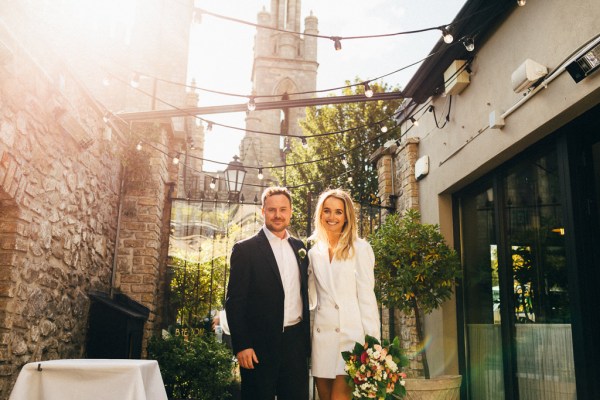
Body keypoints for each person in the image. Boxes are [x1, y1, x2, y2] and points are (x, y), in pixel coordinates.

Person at [225, 186, 310, 400]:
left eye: (283, 209)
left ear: (291, 211)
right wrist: (242, 345)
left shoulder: (301, 248)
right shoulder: (245, 250)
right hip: (258, 346)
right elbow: (235, 302)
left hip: (295, 344)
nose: (278, 215)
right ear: (263, 211)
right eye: (272, 210)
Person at [307, 189, 381, 400]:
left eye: (338, 212)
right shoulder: (313, 253)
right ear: (320, 214)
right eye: (327, 211)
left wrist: (373, 343)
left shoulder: (360, 248)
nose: (332, 217)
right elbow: (312, 299)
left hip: (350, 339)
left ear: (347, 215)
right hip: (322, 340)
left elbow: (367, 298)